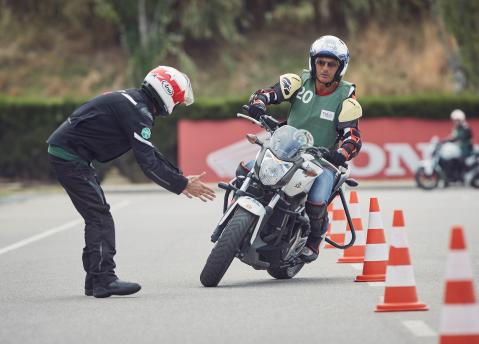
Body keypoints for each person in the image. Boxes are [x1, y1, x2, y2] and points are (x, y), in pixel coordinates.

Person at [47, 65, 216, 298]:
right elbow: (147, 163)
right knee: (99, 216)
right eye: (177, 101)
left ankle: (94, 280)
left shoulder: (133, 102)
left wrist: (180, 179)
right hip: (70, 157)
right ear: (167, 94)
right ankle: (104, 279)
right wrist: (182, 185)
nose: (176, 107)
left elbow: (150, 152)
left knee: (96, 216)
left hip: (71, 155)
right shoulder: (138, 112)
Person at [245, 35, 362, 263]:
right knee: (246, 171)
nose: (325, 69)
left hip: (321, 162)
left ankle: (314, 239)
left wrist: (340, 153)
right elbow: (269, 93)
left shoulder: (346, 97)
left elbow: (353, 137)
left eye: (331, 64)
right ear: (313, 62)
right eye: (321, 63)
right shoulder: (299, 82)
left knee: (317, 201)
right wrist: (259, 103)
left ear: (341, 68)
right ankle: (239, 218)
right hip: (286, 150)